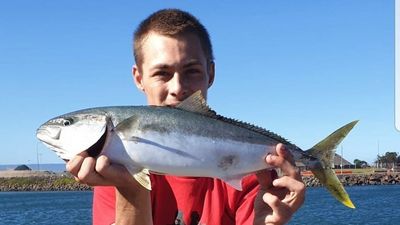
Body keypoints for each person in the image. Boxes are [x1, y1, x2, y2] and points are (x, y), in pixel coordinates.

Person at [66, 9, 305, 225]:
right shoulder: (117, 169)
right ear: (139, 78)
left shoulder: (251, 173)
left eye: (192, 71)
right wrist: (132, 191)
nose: (178, 88)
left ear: (210, 73)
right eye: (162, 73)